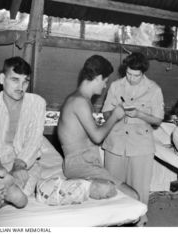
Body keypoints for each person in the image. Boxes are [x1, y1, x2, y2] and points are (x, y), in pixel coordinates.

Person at [57, 55, 138, 200]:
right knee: (133, 195)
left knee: (119, 190)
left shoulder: (79, 99)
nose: (105, 85)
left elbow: (88, 134)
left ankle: (84, 186)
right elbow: (97, 137)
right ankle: (78, 186)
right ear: (98, 77)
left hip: (84, 161)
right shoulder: (79, 102)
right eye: (105, 81)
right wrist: (114, 116)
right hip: (80, 164)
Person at [102, 52, 164, 225]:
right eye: (128, 73)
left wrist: (139, 114)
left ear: (143, 73)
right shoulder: (115, 86)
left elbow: (158, 120)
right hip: (116, 142)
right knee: (113, 185)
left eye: (136, 75)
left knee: (140, 187)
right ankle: (113, 221)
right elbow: (106, 112)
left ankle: (139, 222)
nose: (131, 78)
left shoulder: (154, 89)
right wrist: (116, 113)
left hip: (141, 145)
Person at [0, 56, 46, 216]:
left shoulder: (37, 103)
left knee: (27, 179)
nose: (21, 87)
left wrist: (19, 166)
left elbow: (34, 140)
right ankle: (9, 192)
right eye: (15, 80)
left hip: (23, 162)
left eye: (25, 81)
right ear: (2, 79)